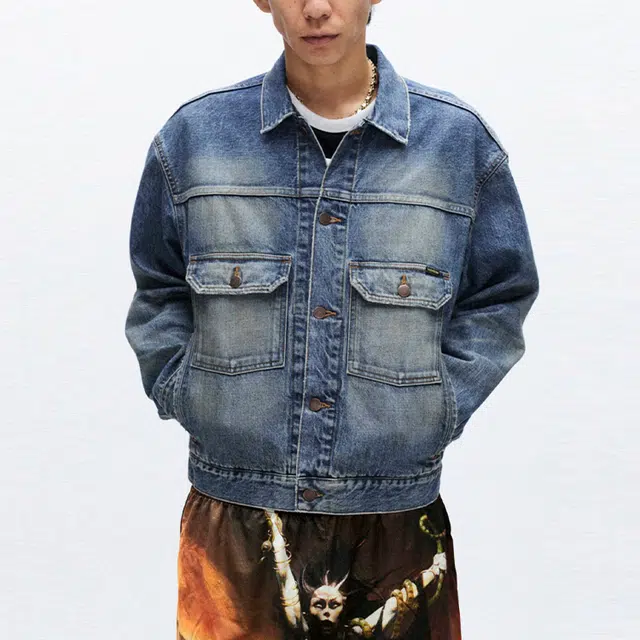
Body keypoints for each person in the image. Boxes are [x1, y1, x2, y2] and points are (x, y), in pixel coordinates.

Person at [124, 1, 540, 637]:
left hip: (395, 516)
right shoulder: (195, 139)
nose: (317, 8)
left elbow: (500, 295)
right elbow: (158, 287)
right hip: (235, 512)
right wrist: (189, 393)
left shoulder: (456, 145)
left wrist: (438, 405)